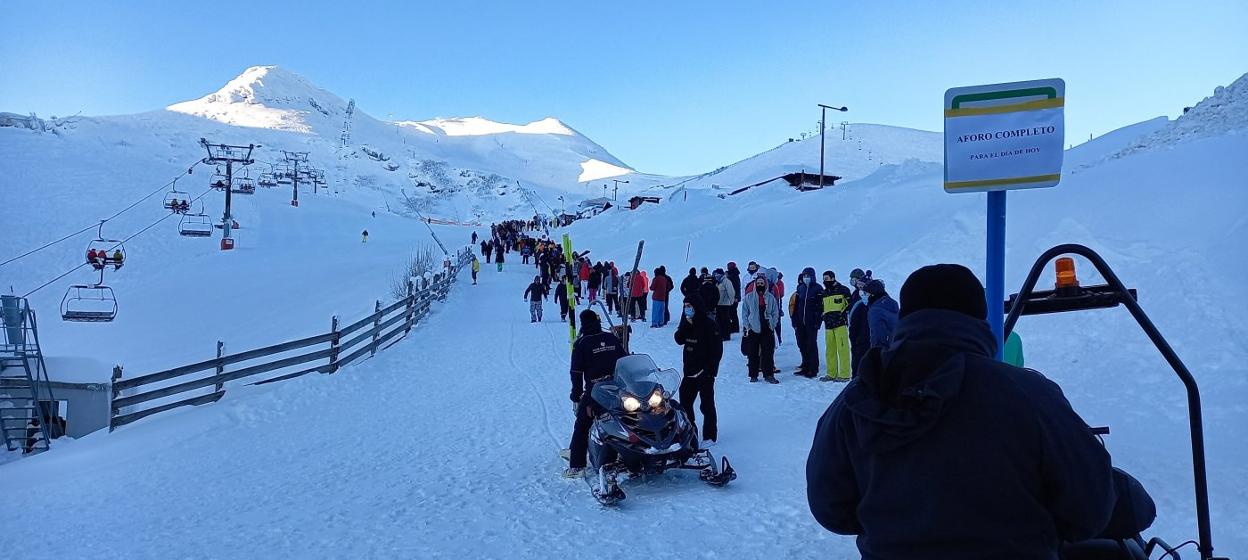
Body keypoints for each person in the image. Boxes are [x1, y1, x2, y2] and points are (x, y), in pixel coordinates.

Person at [806, 264, 1120, 559]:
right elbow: (1089, 509)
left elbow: (830, 507)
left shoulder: (863, 392)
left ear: (907, 316)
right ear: (980, 318)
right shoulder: (1029, 394)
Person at [565, 309, 627, 478]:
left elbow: (576, 372)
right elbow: (625, 361)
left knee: (582, 424)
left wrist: (576, 393)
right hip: (618, 387)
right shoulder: (611, 338)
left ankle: (577, 465)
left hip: (596, 389)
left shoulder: (581, 343)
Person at [674, 294, 722, 446]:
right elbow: (679, 339)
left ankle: (710, 436)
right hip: (689, 372)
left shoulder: (709, 325)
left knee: (706, 405)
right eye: (685, 306)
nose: (687, 309)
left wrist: (710, 370)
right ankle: (691, 432)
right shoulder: (686, 322)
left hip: (704, 372)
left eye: (689, 306)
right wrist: (686, 325)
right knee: (685, 403)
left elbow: (716, 351)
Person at [741, 272, 780, 383]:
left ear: (765, 284)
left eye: (762, 282)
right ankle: (753, 375)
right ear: (755, 284)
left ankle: (769, 375)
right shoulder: (749, 297)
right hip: (754, 328)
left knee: (768, 353)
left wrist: (773, 323)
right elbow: (745, 313)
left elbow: (775, 312)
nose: (760, 284)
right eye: (758, 283)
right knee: (753, 353)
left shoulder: (770, 297)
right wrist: (747, 326)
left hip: (767, 327)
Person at [820, 270, 853, 382]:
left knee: (843, 349)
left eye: (827, 278)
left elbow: (849, 304)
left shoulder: (843, 290)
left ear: (833, 278)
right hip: (828, 325)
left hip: (840, 324)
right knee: (830, 350)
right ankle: (831, 373)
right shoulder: (824, 293)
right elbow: (822, 308)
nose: (825, 281)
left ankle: (844, 374)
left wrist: (842, 314)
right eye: (824, 279)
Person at [793, 267, 824, 377]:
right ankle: (805, 366)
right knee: (802, 344)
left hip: (812, 322)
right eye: (804, 276)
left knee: (811, 345)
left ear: (813, 276)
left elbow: (821, 307)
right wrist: (795, 321)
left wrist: (817, 321)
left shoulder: (818, 288)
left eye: (808, 276)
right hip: (801, 322)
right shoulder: (800, 288)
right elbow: (796, 306)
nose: (806, 278)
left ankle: (813, 368)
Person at [847, 269, 871, 376]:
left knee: (862, 360)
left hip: (864, 333)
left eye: (854, 279)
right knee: (856, 359)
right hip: (855, 332)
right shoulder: (855, 293)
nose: (852, 281)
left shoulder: (866, 293)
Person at [864, 279, 898, 349]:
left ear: (872, 294)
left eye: (866, 294)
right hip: (898, 350)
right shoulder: (893, 304)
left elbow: (878, 337)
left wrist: (876, 356)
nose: (864, 296)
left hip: (886, 355)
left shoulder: (875, 311)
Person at [714, 269, 734, 341]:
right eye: (715, 274)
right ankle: (721, 334)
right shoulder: (718, 282)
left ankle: (726, 335)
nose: (716, 276)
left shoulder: (727, 282)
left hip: (725, 304)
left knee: (725, 320)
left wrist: (731, 302)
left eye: (718, 274)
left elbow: (731, 292)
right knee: (719, 320)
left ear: (721, 274)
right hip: (718, 304)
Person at [725, 261, 742, 333]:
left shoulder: (734, 275)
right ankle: (734, 326)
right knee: (732, 312)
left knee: (733, 312)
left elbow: (737, 287)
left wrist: (736, 297)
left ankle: (735, 327)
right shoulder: (733, 274)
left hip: (734, 297)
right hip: (733, 296)